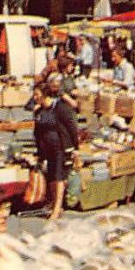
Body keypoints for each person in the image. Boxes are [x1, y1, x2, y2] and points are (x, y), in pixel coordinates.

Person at [30, 76, 79, 221]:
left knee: (59, 178)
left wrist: (75, 147)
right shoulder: (39, 111)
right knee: (51, 177)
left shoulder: (60, 108)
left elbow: (72, 128)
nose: (34, 97)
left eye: (37, 94)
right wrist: (39, 152)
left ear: (45, 95)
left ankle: (57, 208)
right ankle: (54, 204)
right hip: (47, 148)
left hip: (61, 147)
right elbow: (37, 132)